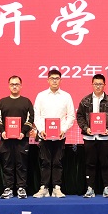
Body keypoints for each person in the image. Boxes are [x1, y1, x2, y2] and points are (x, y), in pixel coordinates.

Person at [32, 69, 75, 198]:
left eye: (57, 78)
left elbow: (71, 116)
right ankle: (44, 188)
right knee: (45, 162)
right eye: (52, 78)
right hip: (44, 135)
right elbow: (36, 115)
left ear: (61, 80)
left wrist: (63, 129)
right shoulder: (41, 96)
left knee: (57, 162)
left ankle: (57, 187)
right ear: (48, 80)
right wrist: (41, 129)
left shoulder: (66, 96)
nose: (54, 81)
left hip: (60, 135)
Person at [76, 74, 108, 198]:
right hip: (89, 138)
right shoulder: (85, 100)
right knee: (90, 164)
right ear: (92, 85)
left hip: (105, 138)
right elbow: (80, 116)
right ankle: (90, 189)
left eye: (100, 84)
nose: (98, 86)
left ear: (104, 85)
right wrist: (86, 128)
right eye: (96, 84)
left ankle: (106, 188)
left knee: (106, 164)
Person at [0, 75, 34, 199]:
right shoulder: (2, 102)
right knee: (7, 164)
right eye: (12, 84)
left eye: (17, 84)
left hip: (22, 139)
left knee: (22, 164)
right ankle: (8, 188)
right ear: (8, 86)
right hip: (6, 140)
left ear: (21, 86)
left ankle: (21, 188)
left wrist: (23, 131)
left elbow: (31, 119)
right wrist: (2, 131)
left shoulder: (26, 102)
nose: (14, 86)